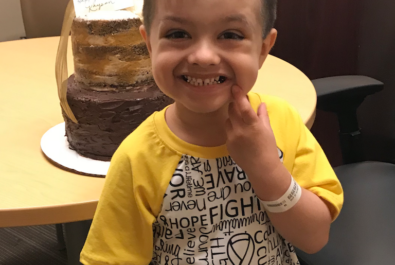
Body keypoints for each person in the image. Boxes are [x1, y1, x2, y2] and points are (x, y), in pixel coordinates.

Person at [80, 0, 344, 264]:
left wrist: (266, 168)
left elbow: (314, 238)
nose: (203, 57)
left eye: (230, 35)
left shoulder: (281, 121)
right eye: (178, 34)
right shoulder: (137, 157)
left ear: (263, 49)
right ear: (150, 45)